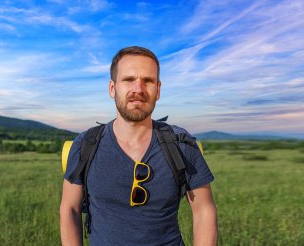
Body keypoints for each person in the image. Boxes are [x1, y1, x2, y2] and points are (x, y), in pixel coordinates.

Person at [60, 46, 217, 245]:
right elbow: (70, 209)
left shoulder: (181, 143)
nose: (138, 89)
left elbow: (204, 210)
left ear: (158, 90)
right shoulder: (85, 144)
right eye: (128, 80)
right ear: (112, 88)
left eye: (148, 81)